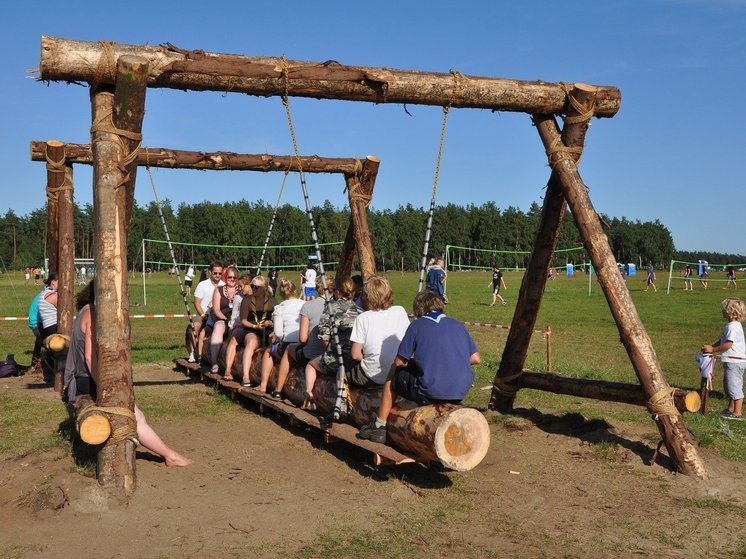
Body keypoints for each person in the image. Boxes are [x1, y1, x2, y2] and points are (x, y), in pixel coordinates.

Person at [64, 281, 191, 466]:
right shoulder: (92, 314)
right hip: (86, 381)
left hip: (83, 378)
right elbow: (90, 358)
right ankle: (170, 456)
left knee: (136, 414)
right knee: (133, 415)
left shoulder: (86, 309)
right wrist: (105, 386)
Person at [357, 290, 481, 444]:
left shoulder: (417, 325)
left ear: (418, 309)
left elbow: (399, 362)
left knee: (393, 373)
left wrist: (418, 362)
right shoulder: (457, 324)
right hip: (461, 390)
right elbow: (475, 358)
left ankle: (379, 425)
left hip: (432, 390)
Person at [302, 276, 363, 410]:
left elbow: (324, 338)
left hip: (336, 358)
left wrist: (330, 350)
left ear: (338, 292)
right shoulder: (360, 311)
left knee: (311, 364)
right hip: (355, 360)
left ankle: (308, 393)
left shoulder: (330, 309)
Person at [348, 275, 411, 386]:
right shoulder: (400, 311)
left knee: (343, 369)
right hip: (397, 370)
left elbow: (355, 355)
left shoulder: (363, 318)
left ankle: (342, 399)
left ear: (366, 296)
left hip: (371, 375)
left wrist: (366, 357)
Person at [274, 275, 326, 395]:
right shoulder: (336, 306)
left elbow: (302, 339)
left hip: (312, 354)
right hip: (333, 354)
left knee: (287, 349)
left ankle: (277, 389)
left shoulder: (307, 306)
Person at [256, 278, 304, 394]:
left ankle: (263, 384)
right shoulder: (304, 304)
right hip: (303, 343)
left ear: (281, 294)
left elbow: (278, 333)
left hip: (288, 343)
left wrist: (276, 339)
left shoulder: (280, 308)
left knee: (269, 350)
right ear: (295, 291)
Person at [701, 297, 746, 420]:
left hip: (735, 361)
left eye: (724, 309)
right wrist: (711, 347)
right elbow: (722, 341)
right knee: (729, 385)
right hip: (731, 361)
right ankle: (730, 409)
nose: (722, 311)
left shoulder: (733, 327)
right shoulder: (730, 325)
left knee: (734, 385)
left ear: (730, 311)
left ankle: (737, 412)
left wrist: (714, 350)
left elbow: (728, 344)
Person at [235, 275, 275, 387]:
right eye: (252, 286)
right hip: (251, 328)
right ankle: (246, 376)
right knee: (251, 342)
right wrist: (254, 327)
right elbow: (243, 320)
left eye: (256, 287)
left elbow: (276, 319)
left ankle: (273, 375)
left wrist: (271, 322)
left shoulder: (272, 301)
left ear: (264, 288)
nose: (253, 288)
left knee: (274, 340)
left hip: (267, 329)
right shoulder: (247, 300)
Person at [187, 261, 223, 363]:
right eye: (215, 273)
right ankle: (193, 352)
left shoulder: (224, 285)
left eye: (220, 273)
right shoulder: (202, 285)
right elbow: (197, 303)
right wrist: (203, 316)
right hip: (203, 314)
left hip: (218, 316)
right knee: (194, 327)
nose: (217, 275)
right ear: (210, 272)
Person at [221, 275, 254, 381]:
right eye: (238, 287)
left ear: (249, 285)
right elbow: (234, 315)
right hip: (240, 325)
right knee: (234, 339)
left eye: (241, 286)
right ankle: (228, 370)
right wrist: (231, 329)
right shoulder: (238, 297)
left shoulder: (258, 297)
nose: (239, 289)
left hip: (254, 327)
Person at [208, 266, 240, 373]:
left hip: (237, 320)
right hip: (223, 317)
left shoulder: (241, 290)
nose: (232, 279)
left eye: (234, 277)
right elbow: (216, 309)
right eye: (229, 277)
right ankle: (214, 362)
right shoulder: (219, 290)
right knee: (218, 328)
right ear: (226, 278)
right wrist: (224, 318)